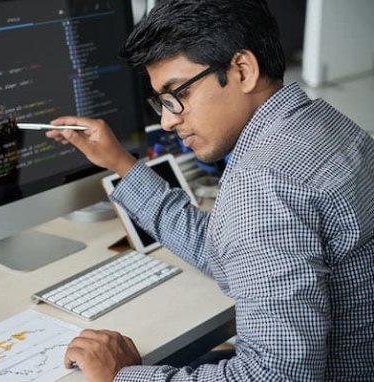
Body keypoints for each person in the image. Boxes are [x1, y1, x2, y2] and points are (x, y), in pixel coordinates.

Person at [46, 0, 374, 381]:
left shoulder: (262, 185)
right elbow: (227, 252)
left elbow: (275, 376)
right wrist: (122, 164)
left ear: (242, 70)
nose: (168, 120)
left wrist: (122, 377)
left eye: (177, 93)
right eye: (161, 102)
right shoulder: (328, 127)